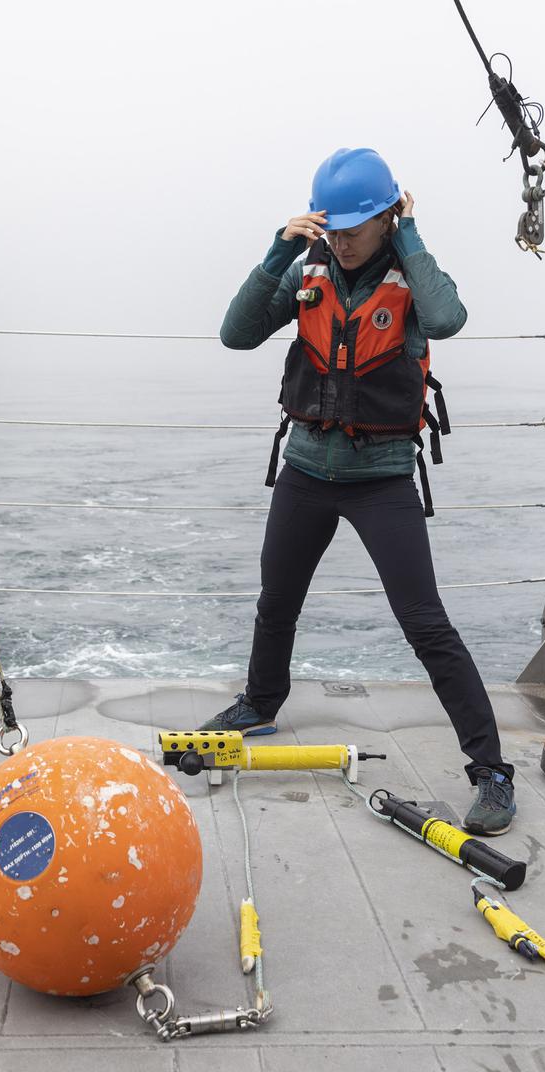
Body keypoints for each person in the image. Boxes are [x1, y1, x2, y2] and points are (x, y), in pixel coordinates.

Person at [202, 147, 517, 835]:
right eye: (331, 226)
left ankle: (490, 769)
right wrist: (275, 252)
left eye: (355, 226)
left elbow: (445, 319)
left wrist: (410, 234)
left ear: (384, 218)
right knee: (275, 602)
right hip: (306, 471)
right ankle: (259, 703)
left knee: (425, 624)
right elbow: (235, 335)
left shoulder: (410, 273)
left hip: (380, 480)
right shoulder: (308, 272)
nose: (340, 240)